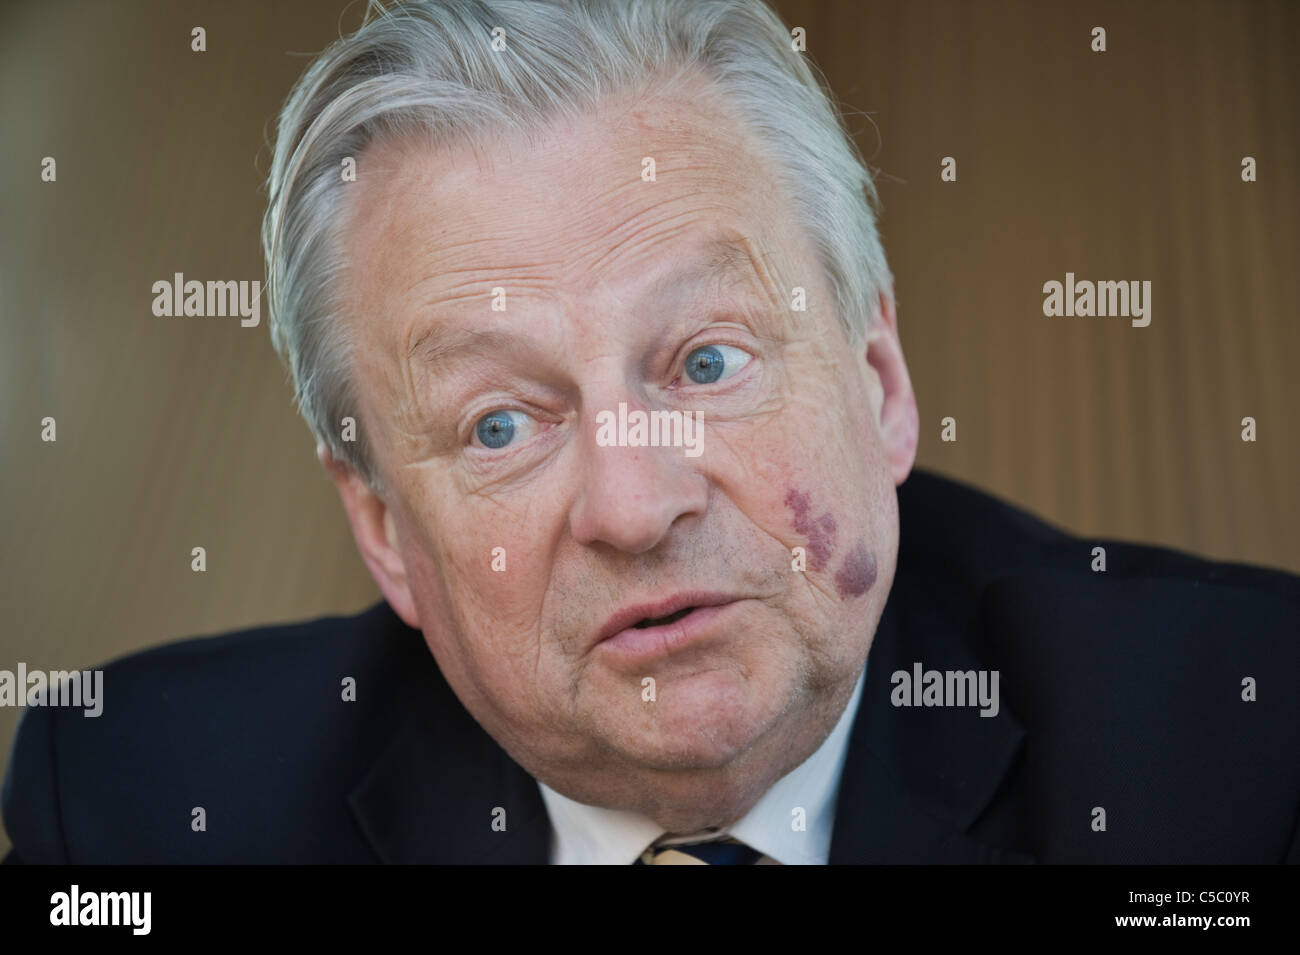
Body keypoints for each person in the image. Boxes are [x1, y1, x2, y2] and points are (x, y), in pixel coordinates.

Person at [4, 0, 1298, 864]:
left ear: (880, 381)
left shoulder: (1241, 744)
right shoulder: (140, 803)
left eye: (708, 359)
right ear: (385, 531)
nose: (632, 505)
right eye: (500, 423)